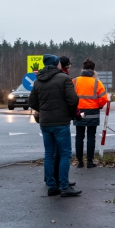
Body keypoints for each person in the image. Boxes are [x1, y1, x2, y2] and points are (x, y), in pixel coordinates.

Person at [28, 54, 82, 197]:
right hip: (60, 122)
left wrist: (44, 109)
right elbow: (73, 100)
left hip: (45, 123)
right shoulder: (64, 79)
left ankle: (52, 186)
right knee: (65, 154)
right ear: (56, 64)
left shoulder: (38, 80)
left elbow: (32, 102)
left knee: (48, 154)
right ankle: (64, 186)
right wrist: (69, 114)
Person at [73, 58, 109, 168]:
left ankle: (79, 161)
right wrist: (99, 105)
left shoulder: (74, 81)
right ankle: (89, 161)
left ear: (82, 69)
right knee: (91, 136)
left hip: (79, 112)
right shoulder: (97, 82)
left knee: (79, 136)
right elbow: (103, 98)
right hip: (92, 112)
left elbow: (70, 96)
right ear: (93, 70)